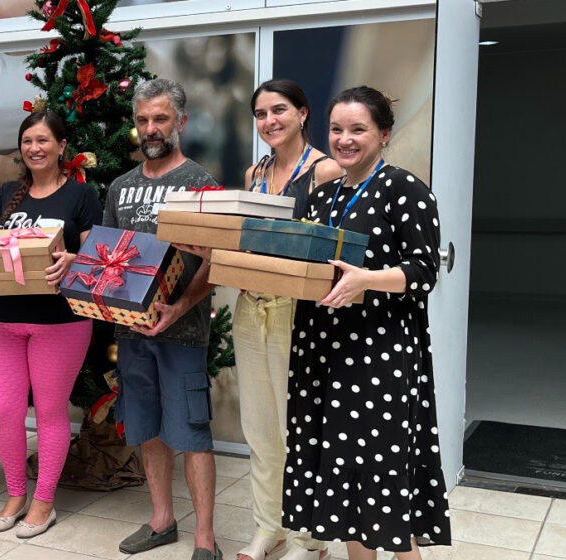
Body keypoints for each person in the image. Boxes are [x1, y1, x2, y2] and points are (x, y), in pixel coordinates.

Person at [281, 86, 450, 560]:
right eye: (337, 129)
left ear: (384, 134)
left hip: (380, 357)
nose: (345, 139)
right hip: (322, 353)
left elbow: (424, 270)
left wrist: (368, 281)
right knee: (348, 490)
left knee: (384, 480)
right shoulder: (323, 196)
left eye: (358, 129)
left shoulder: (405, 189)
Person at [103, 78, 221, 560]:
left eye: (161, 119)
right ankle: (161, 521)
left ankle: (205, 539)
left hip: (184, 333)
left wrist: (179, 307)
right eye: (144, 120)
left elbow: (217, 261)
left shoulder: (201, 184)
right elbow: (106, 256)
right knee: (147, 426)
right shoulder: (120, 187)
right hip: (132, 334)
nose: (151, 129)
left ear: (181, 122)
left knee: (192, 432)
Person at [0, 110, 101, 538]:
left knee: (48, 411)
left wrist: (72, 260)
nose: (35, 148)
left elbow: (98, 259)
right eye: (28, 141)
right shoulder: (8, 193)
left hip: (59, 322)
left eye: (43, 140)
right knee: (5, 411)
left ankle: (44, 501)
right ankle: (14, 493)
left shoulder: (81, 197)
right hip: (4, 320)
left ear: (62, 146)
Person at [234, 79, 342, 560]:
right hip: (250, 305)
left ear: (302, 113)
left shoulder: (325, 170)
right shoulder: (253, 172)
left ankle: (308, 538)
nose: (269, 122)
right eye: (260, 114)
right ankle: (268, 526)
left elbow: (329, 249)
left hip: (296, 312)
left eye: (279, 111)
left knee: (297, 427)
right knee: (258, 426)